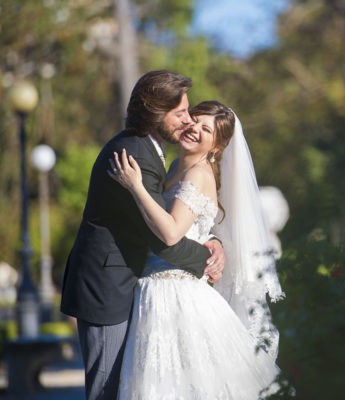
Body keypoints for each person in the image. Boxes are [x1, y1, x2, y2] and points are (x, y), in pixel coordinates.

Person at [60, 70, 225, 400]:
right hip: (107, 287)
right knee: (106, 389)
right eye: (179, 113)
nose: (188, 120)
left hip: (124, 284)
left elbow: (184, 211)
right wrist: (207, 260)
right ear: (154, 112)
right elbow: (160, 237)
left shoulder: (150, 150)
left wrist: (215, 240)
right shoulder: (134, 154)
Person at [108, 101, 284, 399]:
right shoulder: (175, 167)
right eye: (194, 121)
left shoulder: (199, 174)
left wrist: (135, 186)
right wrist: (213, 240)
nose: (195, 130)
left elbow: (172, 232)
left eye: (206, 130)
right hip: (153, 289)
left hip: (177, 293)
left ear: (217, 146)